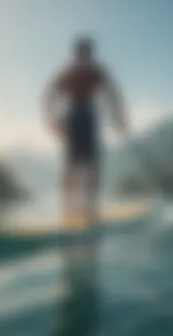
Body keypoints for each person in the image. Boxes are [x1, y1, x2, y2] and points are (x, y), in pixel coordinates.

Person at [43, 36, 128, 228]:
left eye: (84, 53)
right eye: (83, 53)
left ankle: (80, 210)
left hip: (79, 115)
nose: (83, 57)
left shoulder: (86, 72)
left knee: (82, 164)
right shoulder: (85, 72)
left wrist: (118, 118)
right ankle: (77, 211)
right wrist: (118, 118)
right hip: (79, 116)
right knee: (81, 164)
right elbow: (113, 94)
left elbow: (49, 95)